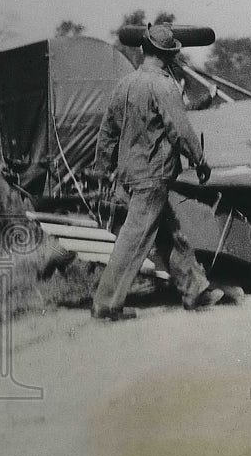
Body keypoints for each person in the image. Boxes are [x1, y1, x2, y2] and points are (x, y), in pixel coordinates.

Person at [91, 22, 231, 321]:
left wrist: (103, 170)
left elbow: (107, 133)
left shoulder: (124, 84)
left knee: (170, 234)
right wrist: (200, 160)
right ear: (168, 55)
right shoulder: (164, 86)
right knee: (133, 239)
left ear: (143, 50)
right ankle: (106, 304)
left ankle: (196, 291)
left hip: (130, 176)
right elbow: (180, 130)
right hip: (153, 175)